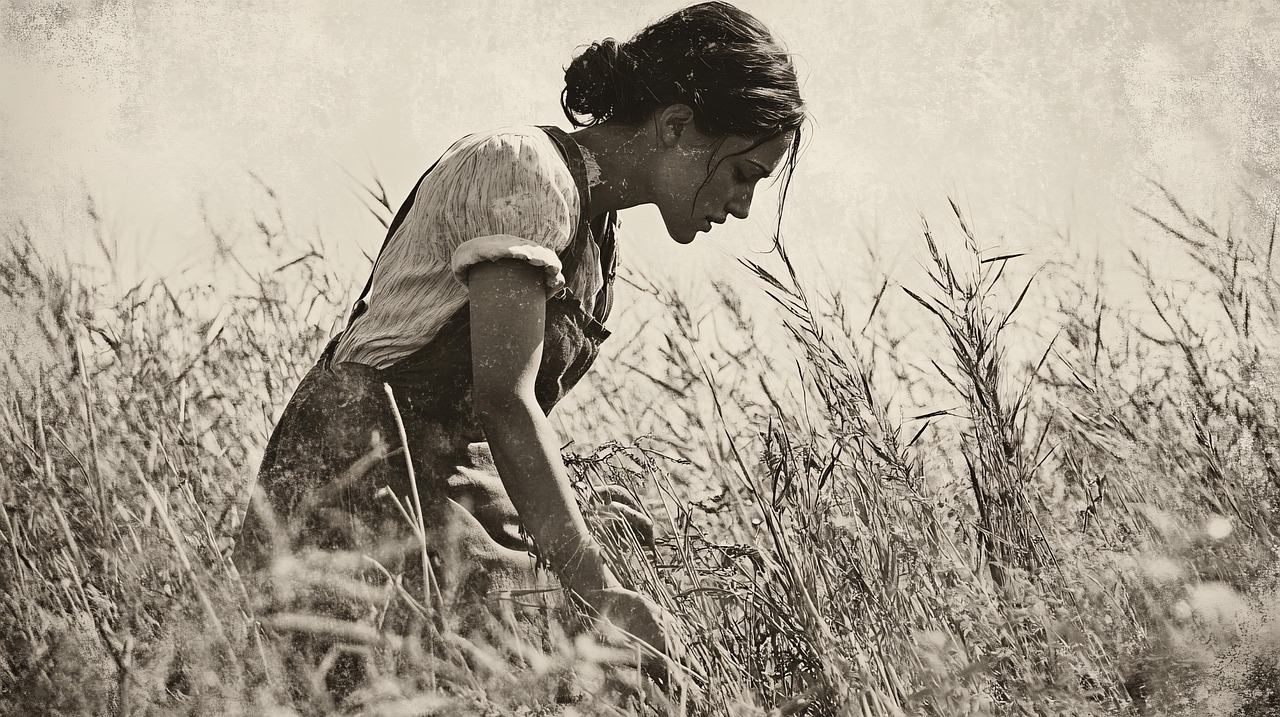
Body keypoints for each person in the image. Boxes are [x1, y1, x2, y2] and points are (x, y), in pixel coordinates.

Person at [234, 0, 805, 695]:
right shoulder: (521, 172)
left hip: (441, 494)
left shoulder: (597, 235)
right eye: (744, 172)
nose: (743, 204)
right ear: (677, 126)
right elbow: (504, 401)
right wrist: (603, 592)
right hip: (355, 492)